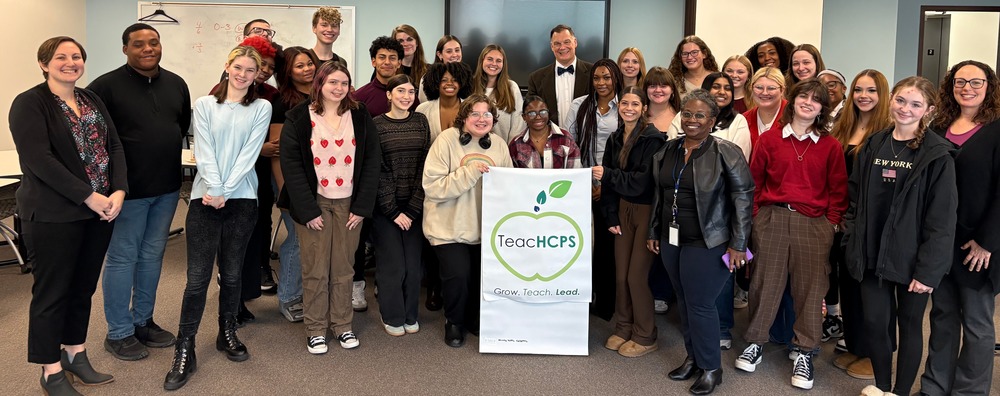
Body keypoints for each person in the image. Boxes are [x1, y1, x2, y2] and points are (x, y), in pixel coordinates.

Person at [10, 36, 125, 395]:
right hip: (52, 214)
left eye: (76, 56)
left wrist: (119, 190)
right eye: (60, 57)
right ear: (44, 63)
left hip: (99, 212)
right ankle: (51, 371)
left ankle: (75, 353)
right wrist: (89, 197)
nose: (70, 62)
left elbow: (115, 146)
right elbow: (39, 160)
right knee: (52, 292)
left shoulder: (91, 99)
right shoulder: (30, 103)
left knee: (82, 288)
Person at [164, 45, 271, 390]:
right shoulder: (205, 104)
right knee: (196, 278)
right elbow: (203, 150)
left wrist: (225, 189)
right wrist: (213, 187)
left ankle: (227, 332)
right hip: (205, 198)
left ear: (257, 75)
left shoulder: (261, 107)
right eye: (238, 67)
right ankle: (185, 346)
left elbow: (249, 154)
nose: (242, 75)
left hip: (241, 199)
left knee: (233, 272)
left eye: (250, 70)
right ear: (227, 67)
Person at [844, 76, 957, 396]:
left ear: (929, 110)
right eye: (901, 100)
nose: (906, 109)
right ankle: (881, 387)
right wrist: (851, 237)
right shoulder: (875, 143)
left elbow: (942, 220)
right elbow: (854, 198)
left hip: (913, 258)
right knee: (877, 325)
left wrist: (928, 270)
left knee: (909, 327)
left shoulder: (937, 155)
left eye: (916, 104)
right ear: (890, 99)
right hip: (870, 253)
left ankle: (900, 392)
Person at [736, 79, 848, 391]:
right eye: (804, 96)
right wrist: (757, 219)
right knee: (764, 283)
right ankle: (756, 342)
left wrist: (830, 224)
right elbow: (754, 183)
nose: (808, 103)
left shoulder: (830, 146)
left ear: (822, 108)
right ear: (793, 99)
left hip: (813, 224)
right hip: (772, 218)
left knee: (810, 290)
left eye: (816, 100)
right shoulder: (770, 140)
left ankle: (804, 351)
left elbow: (838, 192)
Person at [87, 23, 189, 361]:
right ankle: (118, 332)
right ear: (125, 48)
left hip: (167, 189)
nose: (148, 49)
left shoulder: (176, 84)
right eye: (139, 44)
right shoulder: (104, 87)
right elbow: (91, 141)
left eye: (154, 42)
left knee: (151, 257)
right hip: (125, 194)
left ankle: (143, 320)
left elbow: (181, 128)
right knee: (121, 259)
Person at [649, 89, 754, 395]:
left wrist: (738, 243)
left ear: (712, 120)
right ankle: (694, 358)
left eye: (699, 115)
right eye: (687, 114)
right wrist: (654, 232)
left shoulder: (726, 152)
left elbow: (743, 200)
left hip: (710, 241)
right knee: (683, 300)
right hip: (672, 239)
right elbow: (661, 195)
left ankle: (711, 368)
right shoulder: (667, 151)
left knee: (701, 304)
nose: (692, 120)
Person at [278, 61, 381, 355]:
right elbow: (292, 166)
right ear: (319, 84)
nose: (338, 88)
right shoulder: (299, 117)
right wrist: (308, 210)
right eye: (332, 82)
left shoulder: (360, 116)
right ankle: (315, 329)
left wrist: (362, 206)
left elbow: (372, 161)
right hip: (314, 202)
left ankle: (342, 325)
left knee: (344, 267)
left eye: (344, 83)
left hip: (350, 203)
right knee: (315, 268)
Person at [921, 60, 1000, 396]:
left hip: (978, 244)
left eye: (976, 81)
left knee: (978, 324)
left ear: (990, 86)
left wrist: (987, 242)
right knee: (941, 316)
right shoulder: (938, 126)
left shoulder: (998, 128)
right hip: (942, 240)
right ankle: (935, 387)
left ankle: (969, 392)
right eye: (959, 81)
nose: (967, 87)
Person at [422, 94, 513, 347]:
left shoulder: (498, 145)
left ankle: (473, 318)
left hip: (484, 227)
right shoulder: (446, 141)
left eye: (487, 114)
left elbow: (509, 186)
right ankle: (454, 321)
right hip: (448, 227)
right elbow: (433, 187)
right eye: (475, 113)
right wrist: (468, 173)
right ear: (463, 117)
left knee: (480, 277)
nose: (481, 119)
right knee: (459, 276)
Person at [827, 68, 893, 380]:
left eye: (871, 91)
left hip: (872, 225)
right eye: (858, 90)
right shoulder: (843, 127)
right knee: (849, 287)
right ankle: (855, 344)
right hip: (844, 222)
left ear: (883, 96)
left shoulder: (889, 133)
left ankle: (876, 354)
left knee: (873, 293)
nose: (863, 96)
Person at [210, 37, 282, 310]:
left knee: (258, 226)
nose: (264, 70)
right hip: (226, 176)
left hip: (259, 173)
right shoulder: (217, 94)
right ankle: (231, 295)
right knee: (230, 236)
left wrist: (263, 150)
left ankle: (250, 286)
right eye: (260, 64)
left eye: (270, 67)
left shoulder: (270, 97)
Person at [595, 85, 666, 358]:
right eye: (625, 103)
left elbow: (642, 183)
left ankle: (646, 334)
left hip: (646, 211)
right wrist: (610, 215)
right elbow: (608, 184)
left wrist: (609, 175)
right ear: (618, 106)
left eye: (635, 104)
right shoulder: (614, 138)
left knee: (637, 276)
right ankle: (623, 327)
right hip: (622, 210)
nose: (629, 108)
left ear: (644, 108)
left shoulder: (653, 139)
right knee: (620, 274)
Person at [564, 58, 622, 320]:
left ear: (616, 79)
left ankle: (606, 302)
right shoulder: (579, 105)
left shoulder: (625, 105)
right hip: (582, 185)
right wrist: (586, 182)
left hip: (613, 185)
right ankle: (580, 298)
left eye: (607, 77)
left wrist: (605, 184)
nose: (601, 83)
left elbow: (626, 148)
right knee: (581, 243)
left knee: (607, 248)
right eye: (597, 78)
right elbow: (570, 145)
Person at [372, 74, 430, 336]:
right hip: (387, 208)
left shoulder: (420, 121)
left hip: (415, 205)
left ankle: (410, 314)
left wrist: (413, 208)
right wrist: (394, 211)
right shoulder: (377, 125)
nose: (407, 96)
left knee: (414, 266)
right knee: (392, 265)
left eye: (410, 91)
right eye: (400, 91)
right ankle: (392, 314)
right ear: (389, 94)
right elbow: (378, 170)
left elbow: (425, 166)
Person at [269, 45, 317, 323]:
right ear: (288, 71)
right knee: (297, 239)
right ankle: (289, 296)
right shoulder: (283, 102)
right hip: (291, 182)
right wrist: (285, 192)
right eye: (299, 65)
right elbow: (277, 152)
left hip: (319, 181)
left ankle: (306, 292)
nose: (307, 69)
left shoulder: (324, 94)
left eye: (309, 63)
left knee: (313, 239)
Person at [527, 24, 594, 127]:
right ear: (552, 47)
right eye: (557, 43)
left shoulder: (594, 73)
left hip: (585, 139)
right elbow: (531, 113)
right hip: (550, 139)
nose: (562, 47)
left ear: (575, 42)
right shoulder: (536, 78)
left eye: (567, 42)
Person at [508, 95, 581, 168]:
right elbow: (512, 175)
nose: (538, 117)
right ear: (524, 117)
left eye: (543, 112)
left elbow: (576, 172)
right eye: (531, 113)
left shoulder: (565, 138)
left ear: (548, 114)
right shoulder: (516, 144)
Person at [472, 44, 524, 143]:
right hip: (473, 150)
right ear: (482, 61)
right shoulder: (470, 86)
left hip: (504, 150)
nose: (494, 64)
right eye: (490, 59)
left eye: (498, 61)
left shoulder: (512, 87)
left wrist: (510, 149)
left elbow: (518, 123)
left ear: (503, 64)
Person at [416, 62, 473, 142]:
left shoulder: (471, 109)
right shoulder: (423, 110)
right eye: (444, 80)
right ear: (435, 83)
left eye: (455, 80)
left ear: (462, 83)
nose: (449, 83)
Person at [354, 36, 404, 117]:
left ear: (399, 63)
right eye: (382, 57)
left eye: (392, 58)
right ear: (373, 62)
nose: (387, 62)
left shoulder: (409, 96)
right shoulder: (359, 97)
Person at [743, 67, 787, 153]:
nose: (764, 93)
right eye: (759, 87)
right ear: (751, 88)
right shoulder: (744, 119)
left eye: (771, 88)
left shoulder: (794, 116)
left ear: (782, 90)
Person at [392, 24, 429, 98]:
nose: (405, 44)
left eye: (409, 39)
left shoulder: (429, 71)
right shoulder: (389, 70)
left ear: (417, 43)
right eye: (400, 41)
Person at [643, 66, 681, 135]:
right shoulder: (637, 115)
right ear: (646, 89)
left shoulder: (681, 116)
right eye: (652, 86)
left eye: (663, 86)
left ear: (672, 89)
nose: (657, 90)